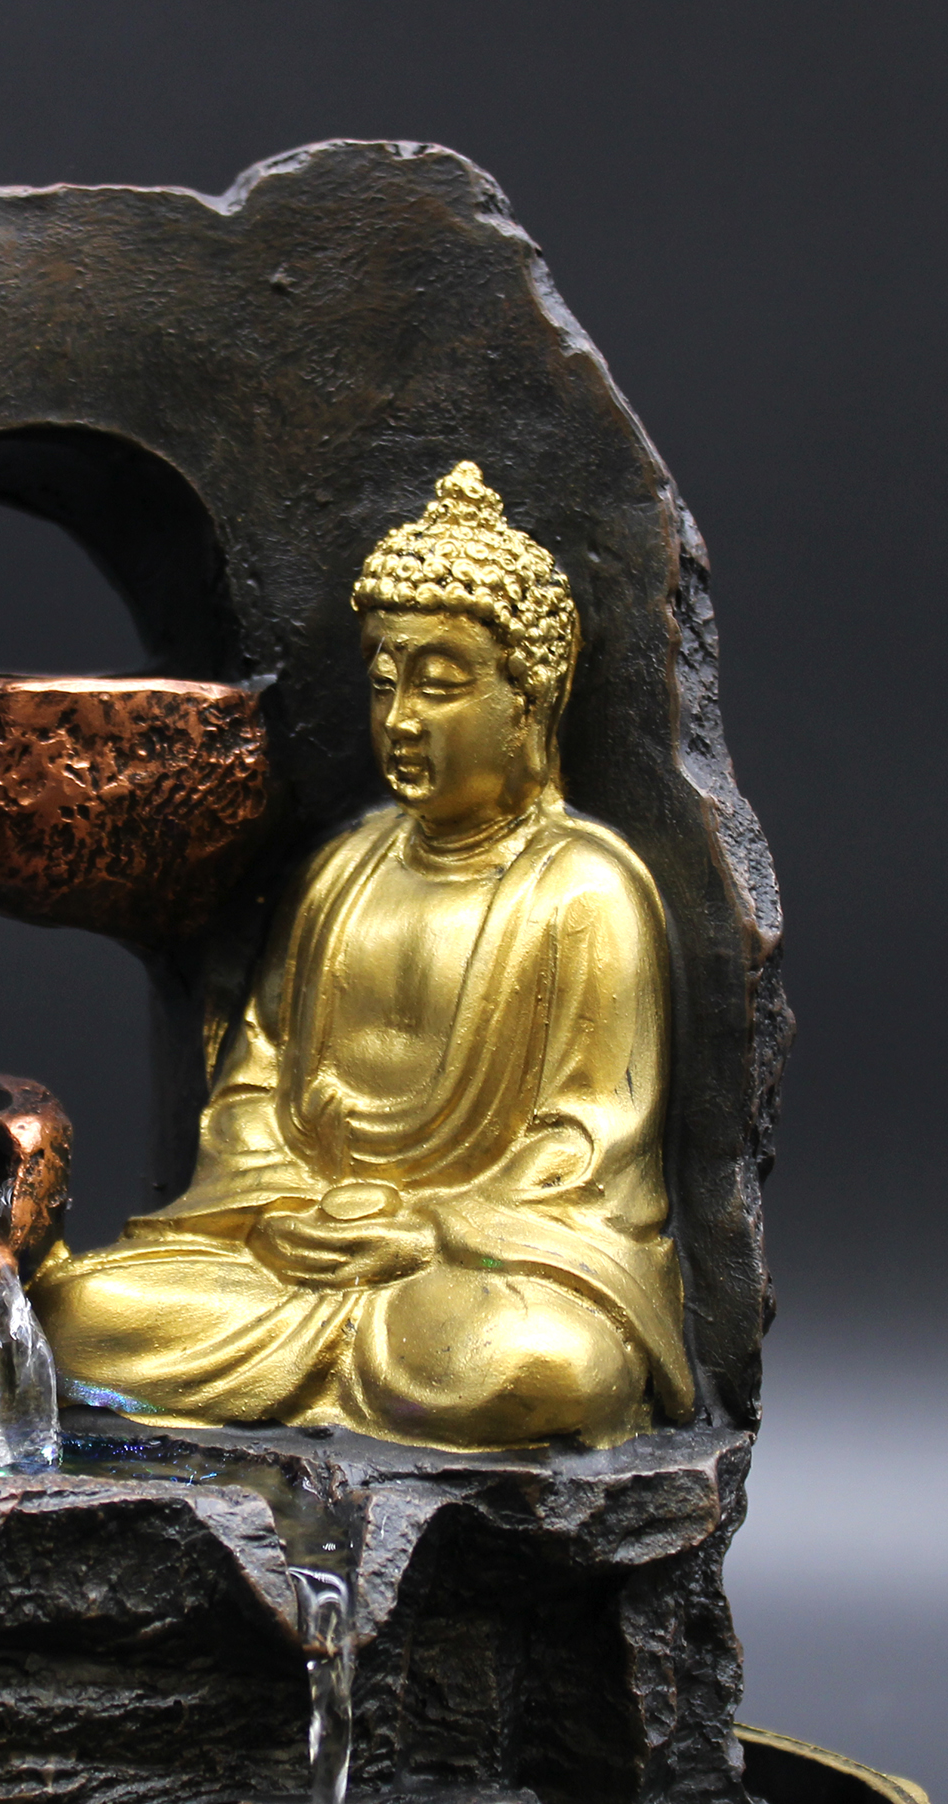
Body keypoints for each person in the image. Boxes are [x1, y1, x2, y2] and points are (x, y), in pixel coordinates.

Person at [34, 462, 690, 1450]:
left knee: (543, 1364)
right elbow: (254, 1082)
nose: (403, 720)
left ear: (531, 698)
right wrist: (281, 1208)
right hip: (297, 1251)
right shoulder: (342, 870)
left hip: (470, 1273)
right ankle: (337, 1369)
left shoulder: (583, 890)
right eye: (384, 685)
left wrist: (425, 1230)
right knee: (74, 1312)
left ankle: (329, 1368)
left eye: (441, 685)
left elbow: (586, 1147)